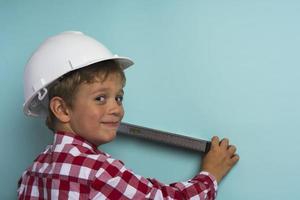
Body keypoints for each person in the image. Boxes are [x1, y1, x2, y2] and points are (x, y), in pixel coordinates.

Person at [18, 31, 239, 200]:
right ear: (63, 109)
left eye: (119, 98)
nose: (117, 109)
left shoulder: (33, 172)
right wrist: (210, 174)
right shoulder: (97, 170)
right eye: (100, 98)